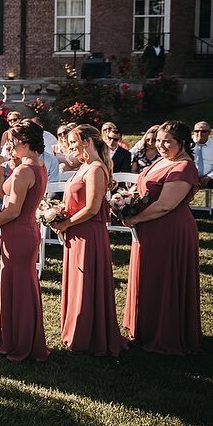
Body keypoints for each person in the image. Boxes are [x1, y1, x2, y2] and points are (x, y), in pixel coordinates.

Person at [121, 120, 202, 355]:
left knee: (163, 277)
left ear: (183, 142)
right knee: (149, 276)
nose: (161, 145)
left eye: (168, 141)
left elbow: (166, 205)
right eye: (159, 140)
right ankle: (145, 328)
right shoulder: (163, 160)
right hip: (150, 227)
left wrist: (134, 219)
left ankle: (165, 333)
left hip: (170, 230)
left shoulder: (184, 167)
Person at [51, 125, 126, 356]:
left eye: (74, 142)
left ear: (86, 141)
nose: (71, 147)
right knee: (78, 281)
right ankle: (76, 329)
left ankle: (88, 334)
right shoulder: (84, 166)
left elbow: (93, 208)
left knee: (87, 282)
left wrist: (65, 223)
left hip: (89, 234)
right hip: (77, 231)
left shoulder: (95, 169)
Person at [0, 120, 49, 362]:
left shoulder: (23, 171)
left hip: (19, 232)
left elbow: (12, 211)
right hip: (28, 230)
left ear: (24, 142)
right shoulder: (39, 166)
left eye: (12, 142)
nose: (9, 145)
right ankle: (21, 337)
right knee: (22, 286)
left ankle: (18, 341)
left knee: (18, 287)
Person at [191, 121, 213, 187]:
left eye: (203, 131)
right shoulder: (186, 143)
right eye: (196, 131)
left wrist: (209, 177)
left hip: (209, 178)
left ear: (209, 132)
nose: (199, 134)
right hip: (188, 177)